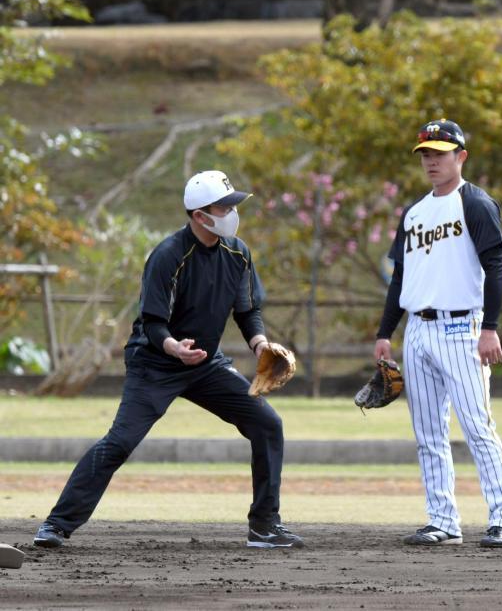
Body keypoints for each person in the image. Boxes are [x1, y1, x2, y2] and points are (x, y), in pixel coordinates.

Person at [33, 170, 304, 550]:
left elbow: (247, 310)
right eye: (224, 207)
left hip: (206, 364)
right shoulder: (168, 256)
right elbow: (153, 323)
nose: (232, 212)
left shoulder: (238, 253)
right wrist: (175, 348)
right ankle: (56, 525)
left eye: (233, 205)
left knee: (267, 424)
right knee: (120, 442)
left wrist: (259, 344)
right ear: (199, 215)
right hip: (155, 364)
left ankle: (264, 527)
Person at [374, 119, 502, 548]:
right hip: (417, 330)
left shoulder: (475, 204)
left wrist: (489, 328)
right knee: (428, 434)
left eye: (440, 153)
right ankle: (442, 520)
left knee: (477, 426)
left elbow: (495, 267)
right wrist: (385, 332)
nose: (431, 161)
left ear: (461, 156)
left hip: (462, 327)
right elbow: (400, 277)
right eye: (425, 154)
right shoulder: (415, 213)